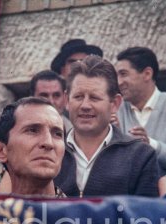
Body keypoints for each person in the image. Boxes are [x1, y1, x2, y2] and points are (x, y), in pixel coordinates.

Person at [54, 55, 160, 197]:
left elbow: (145, 217)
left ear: (115, 103)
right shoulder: (51, 152)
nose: (85, 105)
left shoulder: (140, 156)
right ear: (67, 100)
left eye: (95, 97)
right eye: (78, 96)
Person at [115, 46, 166, 174]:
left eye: (123, 74)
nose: (118, 82)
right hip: (127, 192)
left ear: (147, 74)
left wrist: (151, 144)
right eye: (117, 76)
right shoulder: (117, 108)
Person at [0, 97, 65, 197]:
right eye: (32, 130)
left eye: (57, 134)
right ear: (1, 150)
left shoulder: (81, 212)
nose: (49, 143)